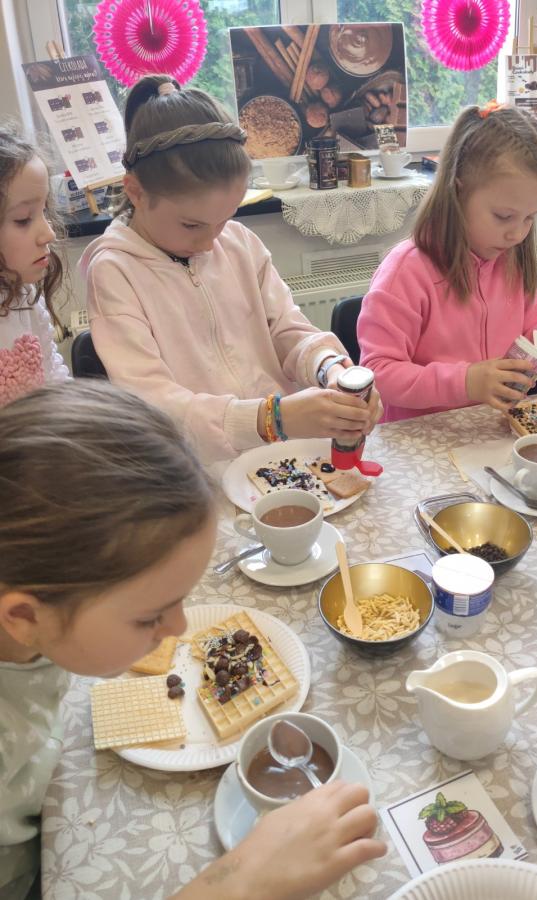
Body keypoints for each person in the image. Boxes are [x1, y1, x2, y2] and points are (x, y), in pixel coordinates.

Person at [0, 380, 385, 900]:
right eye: (149, 617)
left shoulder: (32, 626)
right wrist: (243, 880)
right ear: (24, 616)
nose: (180, 630)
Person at [81, 75, 380, 465]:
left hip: (280, 457)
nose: (210, 243)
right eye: (192, 225)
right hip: (193, 470)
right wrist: (271, 419)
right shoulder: (114, 272)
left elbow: (287, 330)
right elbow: (155, 403)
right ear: (136, 192)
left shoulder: (239, 243)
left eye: (224, 220)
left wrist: (330, 368)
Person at [357, 103, 537, 422]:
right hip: (420, 437)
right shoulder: (407, 272)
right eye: (504, 216)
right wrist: (465, 382)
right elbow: (378, 374)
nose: (517, 234)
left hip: (489, 430)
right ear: (458, 190)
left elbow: (527, 342)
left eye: (530, 218)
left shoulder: (511, 264)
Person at [0, 126, 68, 407]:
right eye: (23, 219)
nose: (48, 233)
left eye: (44, 212)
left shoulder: (26, 298)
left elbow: (54, 380)